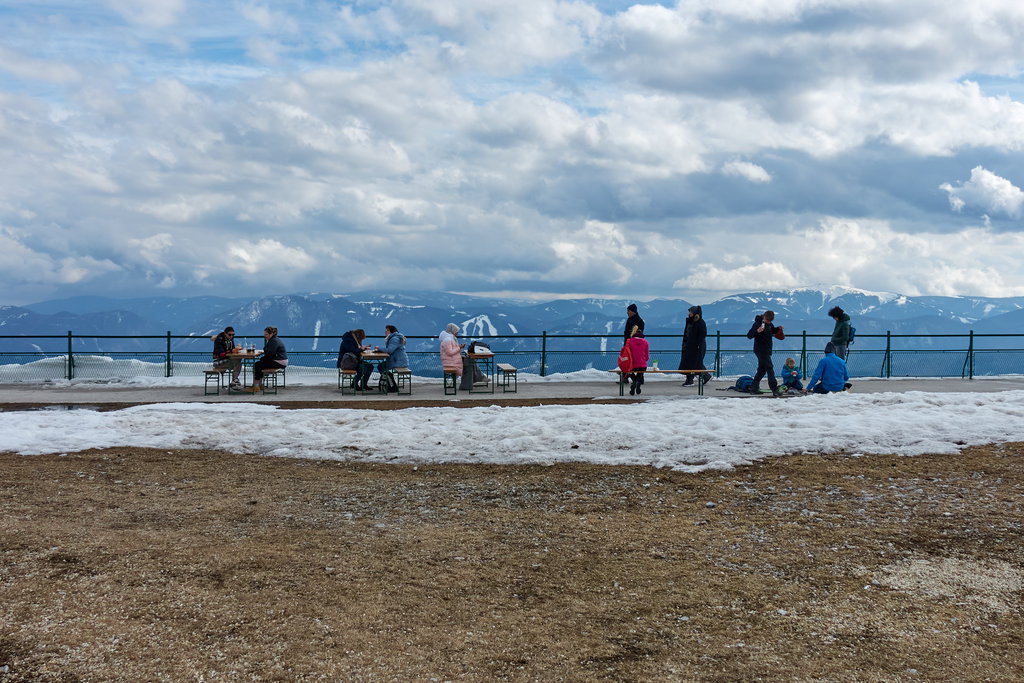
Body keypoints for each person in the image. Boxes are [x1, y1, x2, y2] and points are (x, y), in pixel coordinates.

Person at [746, 310, 783, 396]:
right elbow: (749, 335)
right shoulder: (757, 324)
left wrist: (778, 328)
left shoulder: (769, 324)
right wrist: (757, 331)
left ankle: (754, 388)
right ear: (764, 317)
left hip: (767, 349)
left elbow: (772, 331)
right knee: (770, 368)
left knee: (762, 370)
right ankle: (774, 389)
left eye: (770, 321)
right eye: (767, 320)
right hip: (760, 350)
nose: (768, 322)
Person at [247, 326, 287, 393]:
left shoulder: (273, 341)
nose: (265, 336)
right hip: (281, 360)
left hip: (279, 361)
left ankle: (256, 386)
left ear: (271, 334)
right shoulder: (274, 339)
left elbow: (270, 354)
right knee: (260, 364)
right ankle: (260, 385)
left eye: (266, 334)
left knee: (257, 365)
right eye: (264, 334)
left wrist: (262, 358)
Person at [678, 305, 711, 385]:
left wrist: (697, 344)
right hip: (689, 345)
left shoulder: (700, 322)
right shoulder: (691, 321)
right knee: (693, 362)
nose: (689, 314)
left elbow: (702, 334)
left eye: (690, 312)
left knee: (693, 362)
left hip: (696, 346)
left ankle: (690, 380)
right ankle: (705, 375)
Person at [375, 324, 408, 392]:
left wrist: (379, 348)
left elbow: (390, 350)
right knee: (381, 366)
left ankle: (391, 385)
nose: (385, 332)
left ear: (391, 331)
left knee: (381, 367)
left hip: (398, 361)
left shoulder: (394, 339)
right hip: (397, 360)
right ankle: (391, 384)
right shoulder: (395, 337)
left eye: (387, 330)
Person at [212, 326, 242, 391]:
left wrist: (235, 350)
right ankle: (234, 381)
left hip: (228, 359)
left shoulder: (230, 339)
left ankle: (235, 380)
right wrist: (232, 351)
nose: (231, 336)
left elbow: (232, 349)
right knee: (237, 362)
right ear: (225, 333)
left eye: (233, 335)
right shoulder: (219, 340)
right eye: (230, 334)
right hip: (219, 361)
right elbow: (221, 354)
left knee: (238, 360)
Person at [625, 326, 649, 396]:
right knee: (641, 372)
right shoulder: (645, 342)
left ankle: (634, 382)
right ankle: (637, 382)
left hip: (631, 365)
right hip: (642, 365)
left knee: (629, 371)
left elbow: (626, 353)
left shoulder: (629, 341)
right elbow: (647, 357)